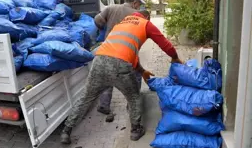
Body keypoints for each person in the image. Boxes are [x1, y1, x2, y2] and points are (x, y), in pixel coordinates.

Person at [60, 12, 183, 144]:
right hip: (120, 65)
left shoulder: (121, 23)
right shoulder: (145, 24)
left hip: (99, 61)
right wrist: (175, 57)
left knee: (85, 98)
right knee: (134, 97)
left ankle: (66, 131)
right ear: (147, 17)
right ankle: (135, 130)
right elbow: (164, 44)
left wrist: (142, 71)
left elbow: (127, 52)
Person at [94, 0, 148, 115]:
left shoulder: (111, 8)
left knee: (108, 76)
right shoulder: (137, 16)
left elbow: (97, 21)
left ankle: (104, 105)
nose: (139, 7)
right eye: (139, 4)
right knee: (136, 76)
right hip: (126, 53)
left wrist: (104, 28)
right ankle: (132, 105)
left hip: (108, 50)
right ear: (135, 3)